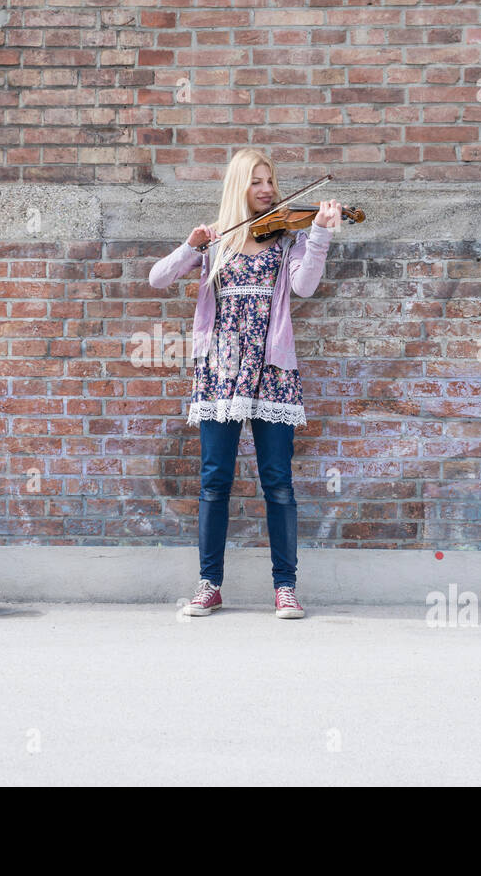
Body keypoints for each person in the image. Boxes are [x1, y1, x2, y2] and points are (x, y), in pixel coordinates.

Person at [148, 148, 338, 619]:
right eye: (257, 181)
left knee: (279, 482)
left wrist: (318, 234)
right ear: (239, 186)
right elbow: (157, 278)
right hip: (221, 370)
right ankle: (209, 584)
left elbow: (305, 287)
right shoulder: (216, 240)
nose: (267, 189)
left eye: (270, 180)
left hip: (272, 369)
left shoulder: (286, 241)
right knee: (214, 481)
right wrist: (190, 245)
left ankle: (286, 588)